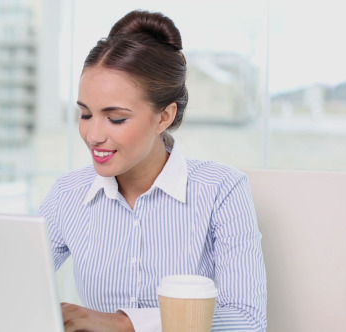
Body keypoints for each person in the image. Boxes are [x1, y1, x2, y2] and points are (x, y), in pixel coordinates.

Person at [38, 9, 267, 332]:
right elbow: (9, 285)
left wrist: (124, 324)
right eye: (86, 114)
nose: (93, 135)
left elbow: (246, 320)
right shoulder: (67, 194)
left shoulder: (221, 189)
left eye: (116, 118)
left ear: (164, 117)